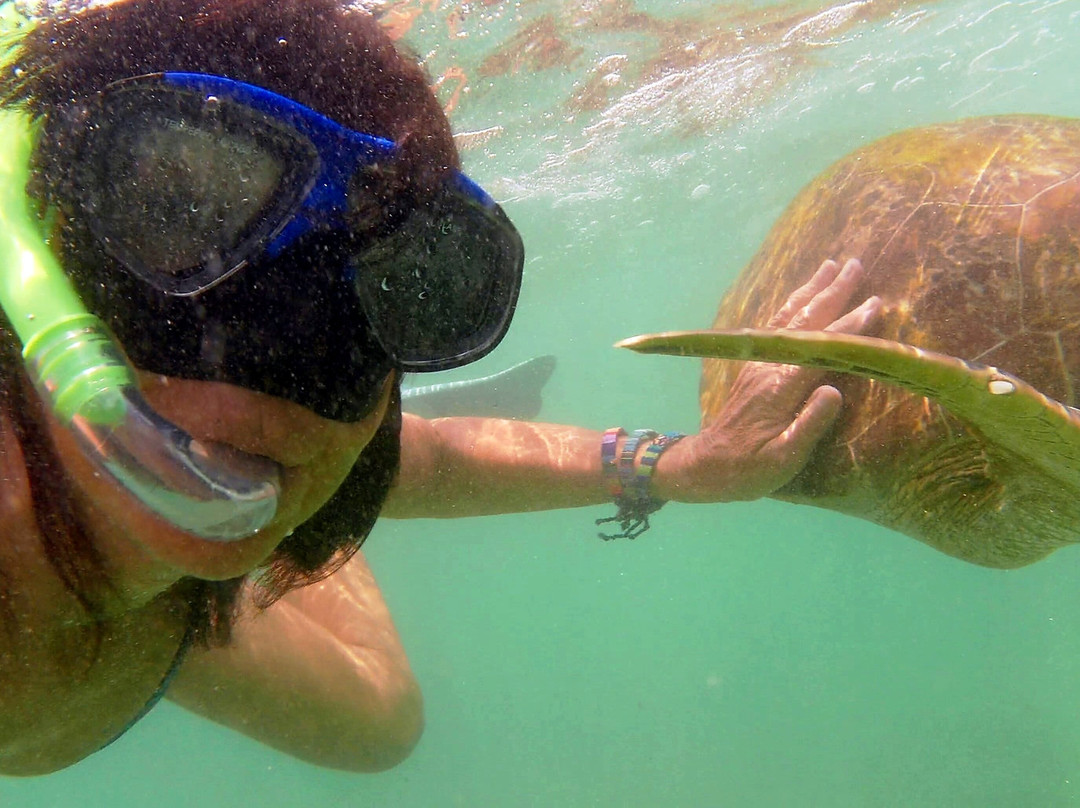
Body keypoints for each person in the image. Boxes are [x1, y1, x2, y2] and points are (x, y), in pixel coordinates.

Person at [0, 0, 882, 776]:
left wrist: (681, 464)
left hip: (138, 622)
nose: (293, 337)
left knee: (381, 721)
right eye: (177, 207)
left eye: (413, 283)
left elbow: (398, 460)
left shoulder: (314, 439)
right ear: (40, 238)